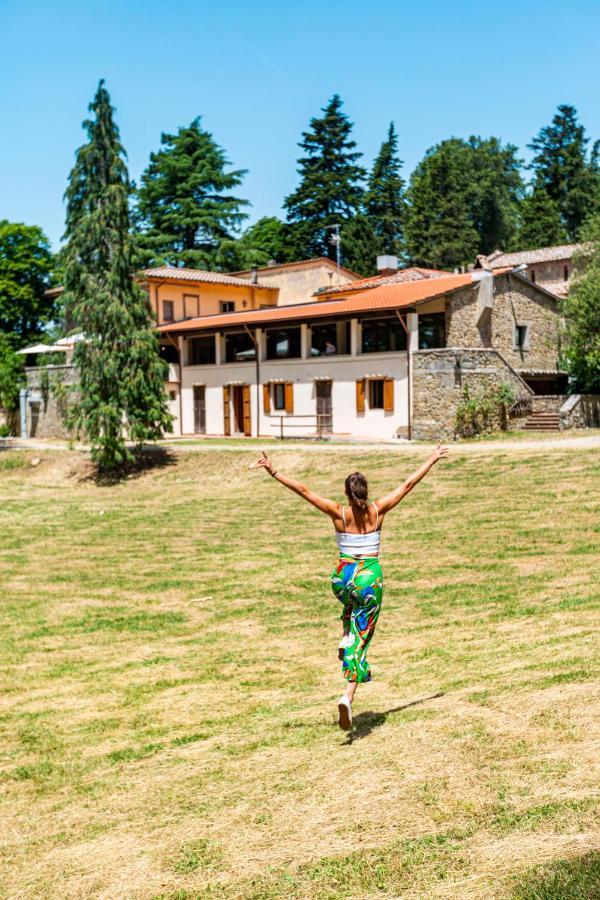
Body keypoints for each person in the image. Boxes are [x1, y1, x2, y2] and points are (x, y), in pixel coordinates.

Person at [253, 443, 449, 730]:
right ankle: (348, 694)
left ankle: (345, 634)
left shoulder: (338, 513)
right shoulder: (377, 510)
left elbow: (304, 491)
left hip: (342, 577)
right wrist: (431, 459)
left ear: (347, 493)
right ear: (366, 492)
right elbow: (407, 486)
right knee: (363, 638)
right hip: (368, 577)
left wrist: (274, 472)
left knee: (350, 602)